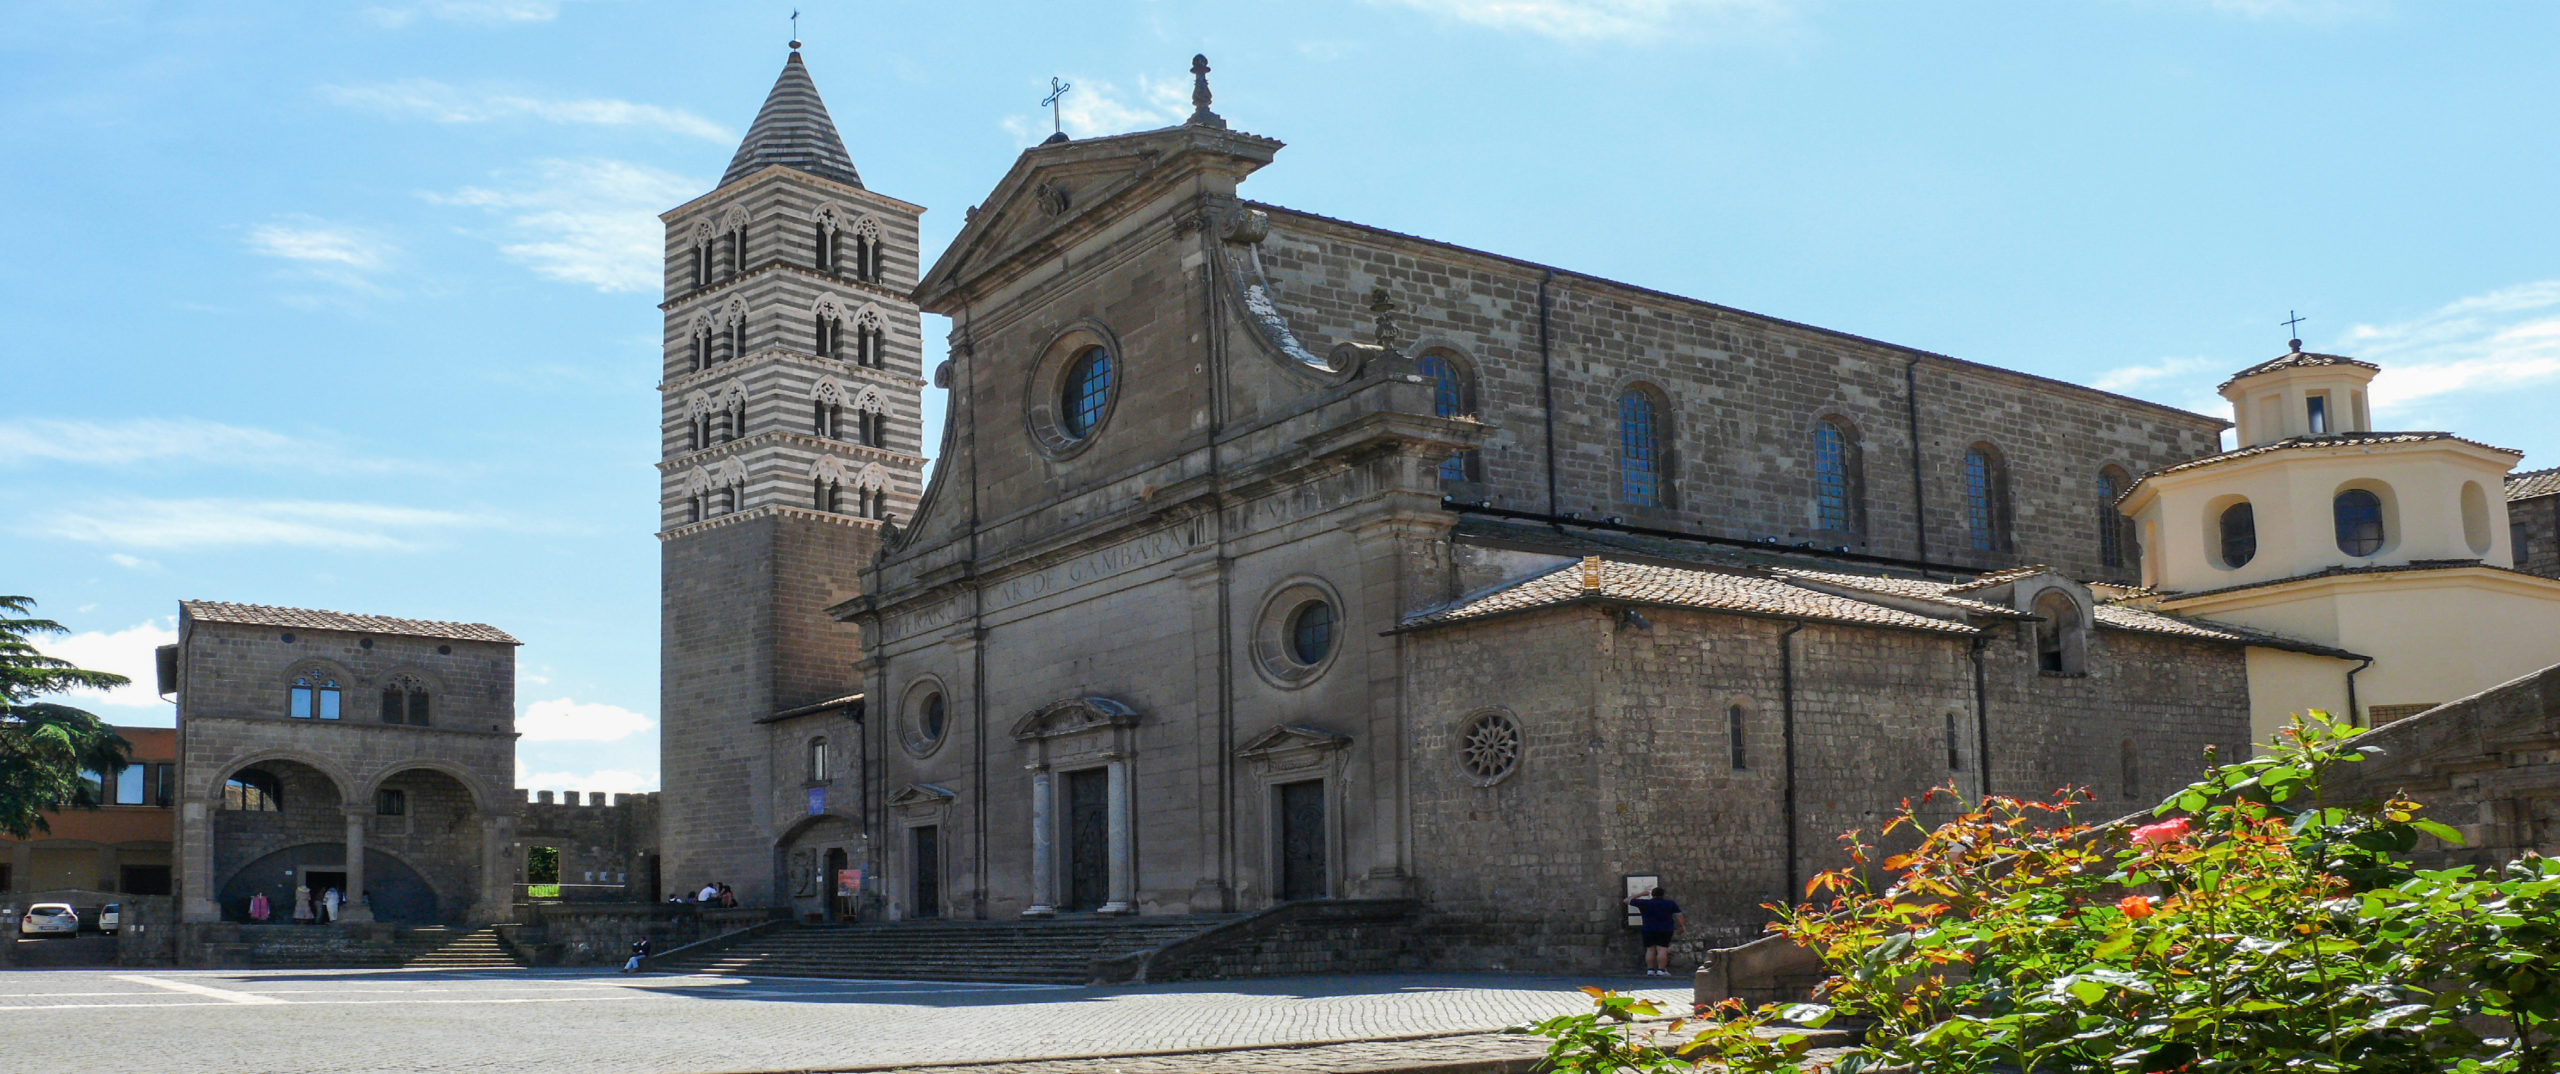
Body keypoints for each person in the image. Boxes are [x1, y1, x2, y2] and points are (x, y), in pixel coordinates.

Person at [1625, 886, 1684, 977]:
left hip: (1648, 929)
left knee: (1650, 949)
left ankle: (1650, 970)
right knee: (1662, 949)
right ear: (1663, 895)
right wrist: (1682, 926)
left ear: (1652, 895)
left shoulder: (1645, 903)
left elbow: (1626, 900)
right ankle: (1661, 970)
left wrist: (1641, 894)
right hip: (1665, 929)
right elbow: (1679, 915)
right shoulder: (1670, 903)